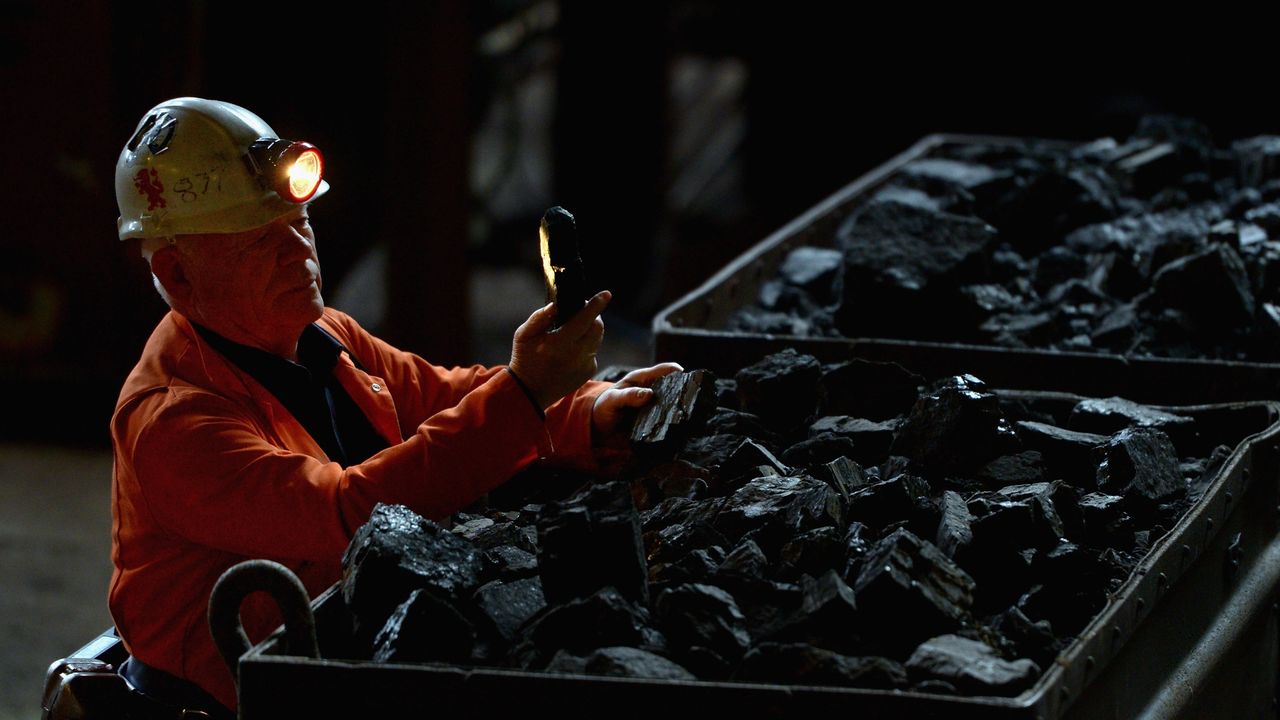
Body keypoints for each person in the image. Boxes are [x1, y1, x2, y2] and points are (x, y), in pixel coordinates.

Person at [109, 97, 680, 717]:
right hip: (231, 694)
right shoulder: (173, 421)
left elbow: (440, 394)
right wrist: (525, 394)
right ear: (178, 274)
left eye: (299, 224)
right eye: (261, 243)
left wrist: (588, 412)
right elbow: (347, 514)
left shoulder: (320, 334)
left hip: (335, 635)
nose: (299, 251)